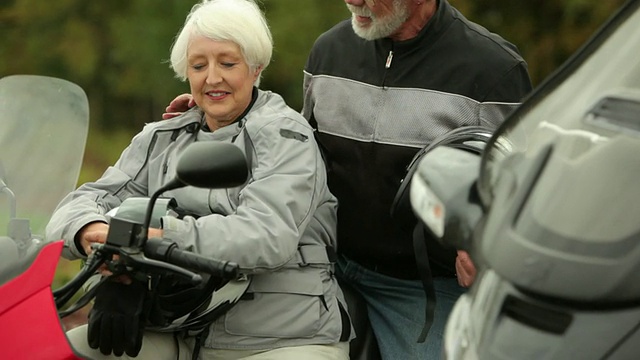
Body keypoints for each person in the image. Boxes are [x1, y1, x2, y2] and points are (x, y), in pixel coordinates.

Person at [164, 0, 533, 358]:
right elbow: (297, 147)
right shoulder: (329, 51)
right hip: (321, 265)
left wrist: (485, 241)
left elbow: (520, 190)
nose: (352, 1)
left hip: (421, 287)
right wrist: (221, 108)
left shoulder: (494, 70)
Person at [45, 0, 353, 359]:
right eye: (198, 65)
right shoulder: (164, 136)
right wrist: (92, 233)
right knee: (63, 350)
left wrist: (154, 240)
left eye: (228, 63)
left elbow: (266, 236)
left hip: (277, 338)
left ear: (256, 67)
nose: (212, 78)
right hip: (178, 327)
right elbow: (80, 204)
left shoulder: (287, 137)